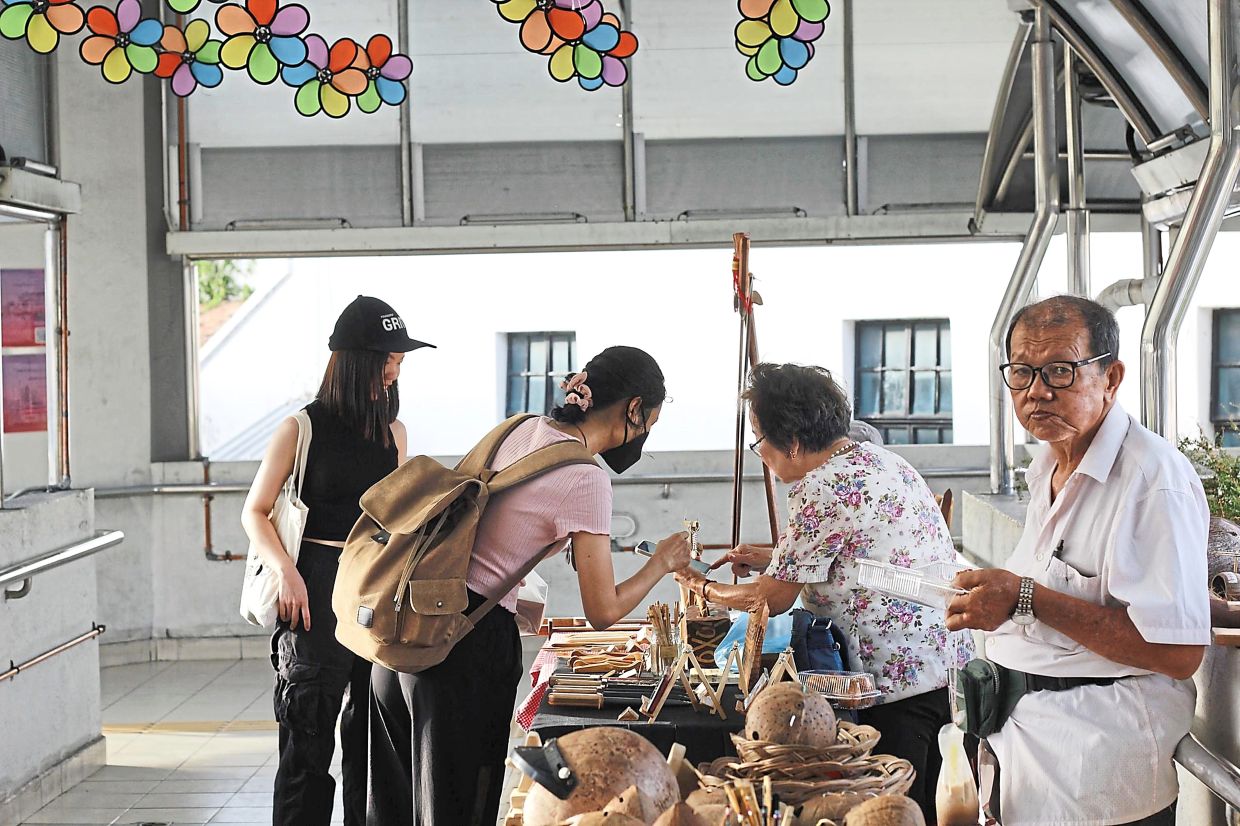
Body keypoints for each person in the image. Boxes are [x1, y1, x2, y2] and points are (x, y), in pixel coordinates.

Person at [368, 345, 693, 826]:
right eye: (649, 423)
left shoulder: (520, 426)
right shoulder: (586, 478)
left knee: (395, 808)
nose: (643, 435)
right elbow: (603, 610)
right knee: (457, 809)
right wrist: (662, 561)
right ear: (633, 409)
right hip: (459, 647)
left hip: (406, 630)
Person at [946, 296, 1210, 825]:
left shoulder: (1151, 481)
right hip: (1032, 762)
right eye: (1021, 372)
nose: (1036, 391)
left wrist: (1024, 599)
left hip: (1097, 781)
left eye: (1060, 372)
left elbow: (1179, 652)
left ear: (1111, 378)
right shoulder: (1047, 464)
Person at [677, 362, 967, 823]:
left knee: (889, 811)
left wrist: (702, 587)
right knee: (925, 807)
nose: (760, 454)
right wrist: (775, 555)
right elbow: (857, 554)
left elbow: (771, 600)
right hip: (943, 670)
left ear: (791, 442)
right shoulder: (882, 460)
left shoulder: (820, 486)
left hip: (890, 686)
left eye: (759, 441)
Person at [240, 295, 432, 826]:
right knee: (307, 744)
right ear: (356, 362)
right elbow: (254, 512)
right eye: (388, 359)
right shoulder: (300, 430)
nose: (396, 369)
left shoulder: (395, 435)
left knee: (372, 750)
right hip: (310, 589)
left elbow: (397, 521)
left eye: (399, 360)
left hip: (373, 591)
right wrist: (286, 572)